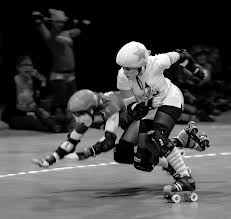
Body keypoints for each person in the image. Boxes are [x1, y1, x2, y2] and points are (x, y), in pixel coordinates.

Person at [32, 89, 209, 180]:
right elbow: (71, 140)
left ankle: (172, 159)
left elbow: (108, 141)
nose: (76, 118)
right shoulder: (90, 112)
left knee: (141, 158)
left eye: (78, 114)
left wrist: (83, 154)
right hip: (135, 121)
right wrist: (50, 159)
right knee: (123, 156)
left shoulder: (109, 107)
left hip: (148, 115)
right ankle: (181, 142)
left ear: (91, 109)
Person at [115, 41, 205, 195]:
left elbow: (182, 54)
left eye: (128, 68)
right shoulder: (122, 77)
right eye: (123, 67)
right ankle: (182, 141)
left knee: (157, 137)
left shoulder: (157, 63)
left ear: (141, 64)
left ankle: (186, 179)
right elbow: (133, 110)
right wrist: (147, 104)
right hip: (150, 109)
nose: (124, 71)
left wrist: (195, 69)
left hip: (170, 98)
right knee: (142, 162)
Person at [32, 9, 90, 130]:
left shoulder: (66, 34)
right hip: (58, 75)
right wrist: (38, 18)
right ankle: (56, 123)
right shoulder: (49, 35)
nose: (61, 24)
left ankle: (67, 124)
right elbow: (39, 24)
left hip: (71, 74)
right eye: (58, 22)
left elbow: (79, 30)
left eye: (62, 22)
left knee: (72, 102)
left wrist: (83, 24)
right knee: (61, 104)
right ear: (52, 23)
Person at [1, 55, 62, 133]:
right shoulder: (12, 81)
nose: (28, 67)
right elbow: (6, 102)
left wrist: (42, 80)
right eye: (25, 65)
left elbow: (46, 95)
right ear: (18, 68)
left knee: (49, 119)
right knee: (33, 122)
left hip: (34, 112)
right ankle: (52, 128)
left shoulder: (34, 81)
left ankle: (57, 126)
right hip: (16, 115)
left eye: (30, 65)